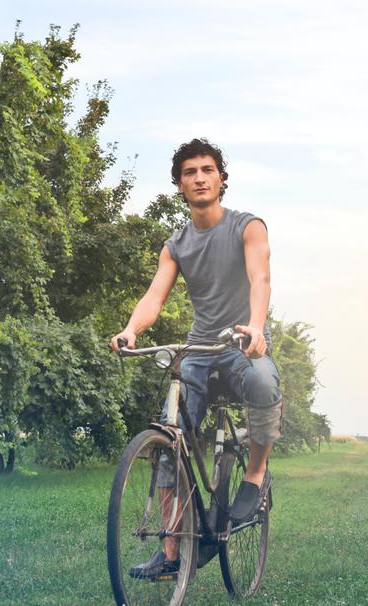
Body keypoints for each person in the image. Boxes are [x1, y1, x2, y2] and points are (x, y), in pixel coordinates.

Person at [110, 138, 282, 581]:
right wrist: (131, 329)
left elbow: (259, 277)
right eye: (190, 172)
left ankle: (256, 474)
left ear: (221, 179)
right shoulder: (177, 245)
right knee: (169, 441)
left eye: (208, 169)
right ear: (180, 186)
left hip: (242, 345)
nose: (200, 177)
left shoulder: (248, 227)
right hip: (200, 351)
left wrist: (257, 327)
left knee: (264, 383)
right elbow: (154, 297)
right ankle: (171, 551)